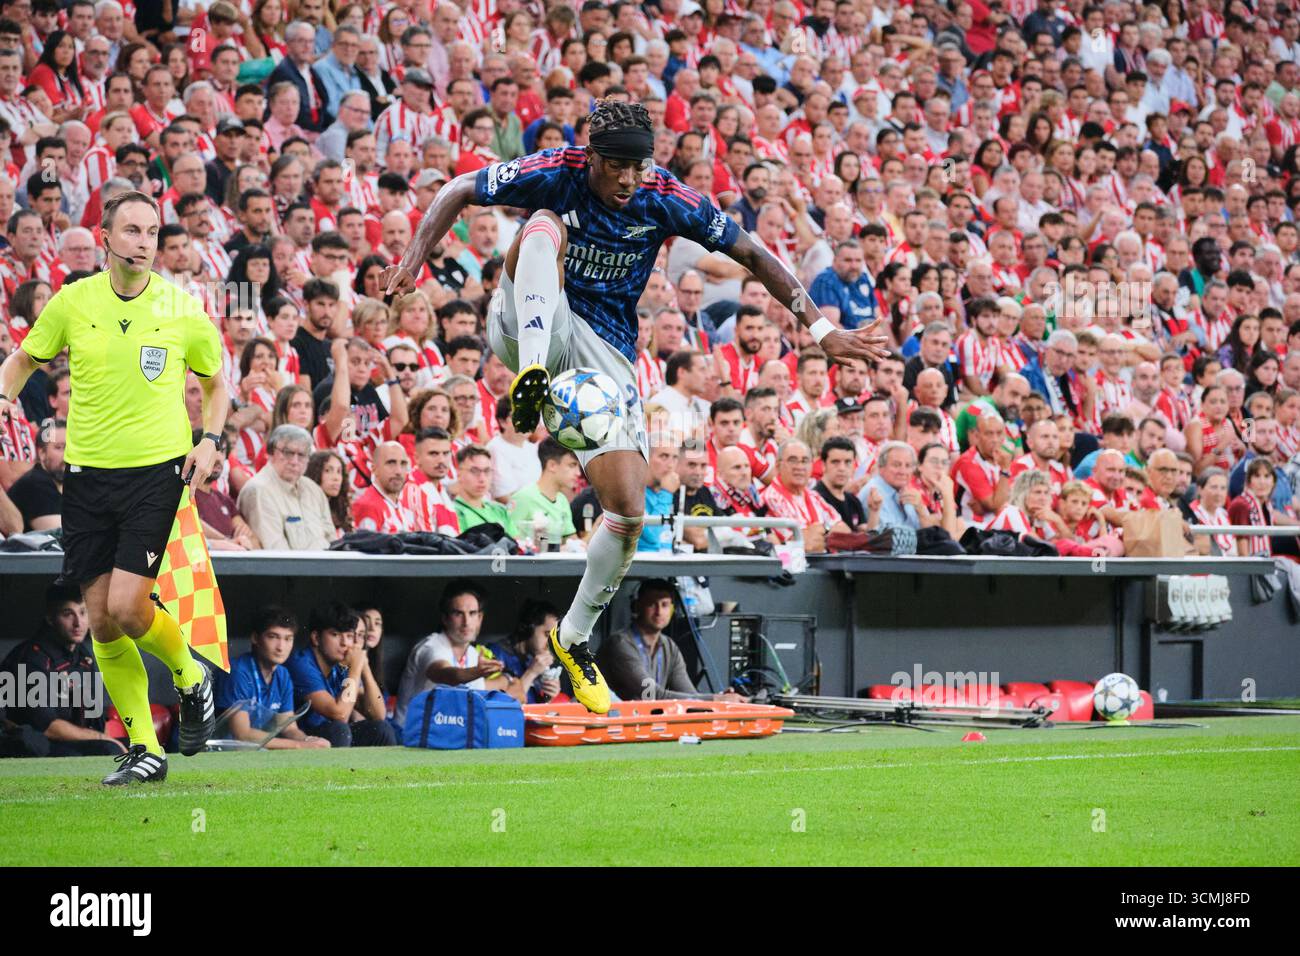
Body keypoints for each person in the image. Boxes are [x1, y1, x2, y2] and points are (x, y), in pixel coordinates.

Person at [383, 99, 889, 714]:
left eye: (638, 166)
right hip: (530, 318)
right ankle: (537, 374)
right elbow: (462, 187)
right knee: (542, 225)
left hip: (607, 354)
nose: (628, 179)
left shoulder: (666, 196)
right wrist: (414, 257)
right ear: (590, 155)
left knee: (626, 510)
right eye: (616, 165)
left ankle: (573, 639)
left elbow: (752, 254)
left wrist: (818, 330)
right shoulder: (555, 168)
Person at [0, 190, 228, 785]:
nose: (144, 242)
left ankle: (189, 675)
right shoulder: (73, 303)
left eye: (151, 231)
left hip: (156, 472)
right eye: (131, 230)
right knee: (100, 621)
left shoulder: (182, 308)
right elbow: (24, 360)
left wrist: (210, 439)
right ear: (104, 236)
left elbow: (217, 383)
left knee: (129, 607)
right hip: (85, 477)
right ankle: (146, 752)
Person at [0, 584, 122, 758]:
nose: (78, 623)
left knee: (135, 750)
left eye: (83, 612)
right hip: (32, 744)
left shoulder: (83, 657)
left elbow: (95, 718)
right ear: (50, 619)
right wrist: (105, 741)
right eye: (67, 614)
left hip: (68, 741)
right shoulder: (32, 658)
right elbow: (47, 727)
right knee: (109, 749)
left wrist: (107, 740)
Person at [597, 579, 746, 702]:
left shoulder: (669, 646)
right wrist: (715, 700)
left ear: (672, 609)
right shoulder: (620, 644)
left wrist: (721, 698)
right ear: (637, 607)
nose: (659, 612)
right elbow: (652, 695)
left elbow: (689, 694)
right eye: (652, 604)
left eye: (665, 605)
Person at [215, 606, 330, 749]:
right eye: (273, 637)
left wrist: (308, 740)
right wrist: (298, 745)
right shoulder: (238, 671)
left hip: (250, 751)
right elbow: (242, 734)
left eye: (288, 639)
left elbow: (289, 728)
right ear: (255, 638)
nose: (281, 647)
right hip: (214, 753)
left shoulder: (283, 674)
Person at [394, 580, 506, 726]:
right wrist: (478, 671)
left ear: (480, 618)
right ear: (445, 619)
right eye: (458, 614)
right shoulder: (432, 646)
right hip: (409, 737)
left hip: (448, 735)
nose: (466, 622)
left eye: (472, 613)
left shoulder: (473, 654)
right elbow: (448, 675)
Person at [285, 602, 395, 748]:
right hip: (301, 739)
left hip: (330, 735)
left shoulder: (340, 665)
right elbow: (339, 715)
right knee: (340, 730)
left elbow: (378, 715)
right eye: (335, 635)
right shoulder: (301, 663)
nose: (345, 643)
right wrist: (355, 668)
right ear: (316, 638)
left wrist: (365, 668)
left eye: (349, 636)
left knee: (382, 729)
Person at [237, 425, 336, 550]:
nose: (295, 461)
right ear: (271, 453)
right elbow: (276, 554)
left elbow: (332, 540)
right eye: (288, 453)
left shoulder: (313, 490)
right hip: (292, 568)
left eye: (301, 455)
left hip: (326, 566)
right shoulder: (259, 490)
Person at [485, 599, 562, 704]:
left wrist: (547, 697)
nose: (551, 643)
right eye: (547, 634)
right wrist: (531, 673)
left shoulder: (533, 659)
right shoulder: (495, 653)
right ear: (528, 629)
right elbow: (501, 705)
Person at [510, 437, 581, 550]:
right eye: (572, 465)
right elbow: (510, 542)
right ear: (552, 465)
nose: (578, 473)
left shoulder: (562, 500)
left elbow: (573, 542)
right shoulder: (523, 498)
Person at [6, 417, 64, 531]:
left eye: (71, 447)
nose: (67, 455)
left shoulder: (71, 484)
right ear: (42, 453)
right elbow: (60, 535)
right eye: (59, 448)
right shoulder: (34, 484)